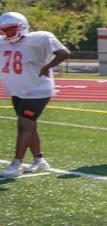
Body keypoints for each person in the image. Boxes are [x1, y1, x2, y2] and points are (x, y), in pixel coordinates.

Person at [0, 12, 70, 178]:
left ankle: (16, 164)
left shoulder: (39, 39)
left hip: (37, 90)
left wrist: (47, 67)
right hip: (19, 90)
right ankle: (39, 161)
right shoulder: (2, 43)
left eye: (11, 29)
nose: (8, 33)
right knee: (29, 126)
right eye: (4, 30)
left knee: (24, 125)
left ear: (22, 26)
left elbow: (64, 52)